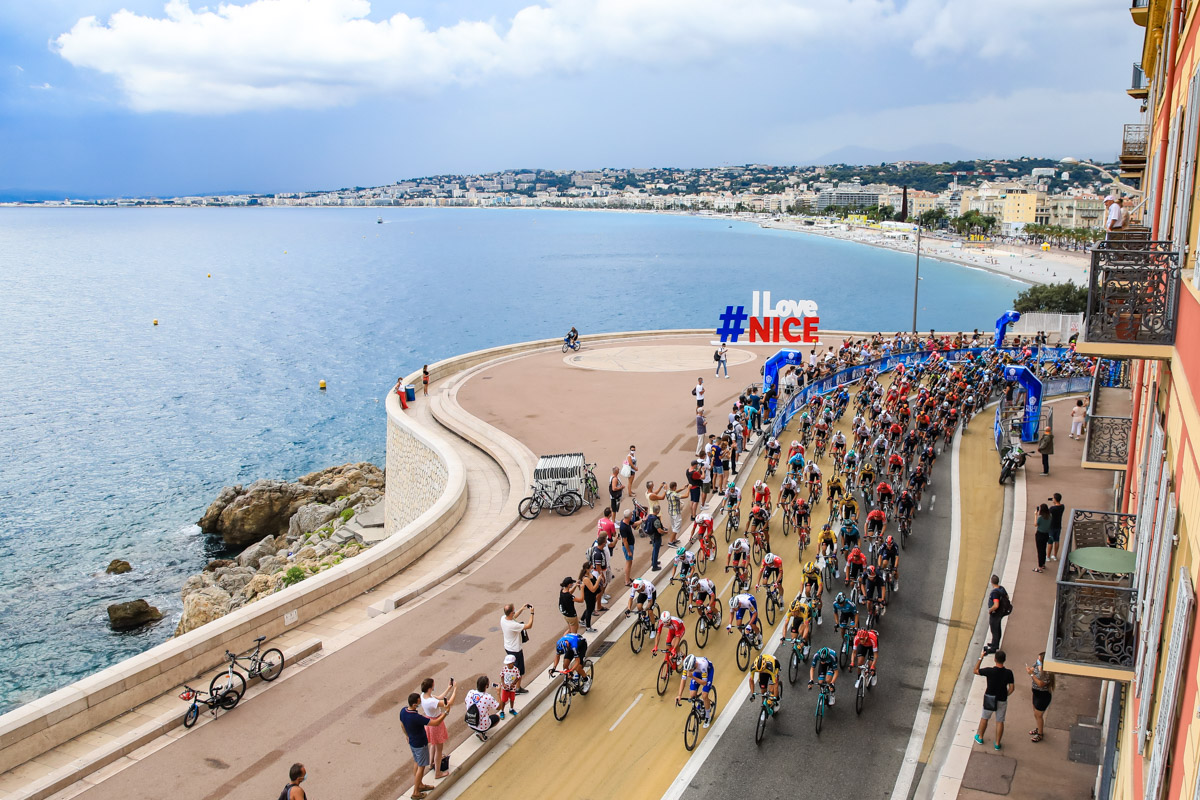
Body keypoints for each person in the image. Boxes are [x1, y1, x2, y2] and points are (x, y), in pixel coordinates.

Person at [400, 693, 444, 799]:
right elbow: (436, 722)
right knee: (421, 767)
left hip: (413, 743)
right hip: (420, 744)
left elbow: (402, 724)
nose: (421, 702)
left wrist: (407, 736)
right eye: (419, 701)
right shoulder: (416, 717)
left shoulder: (403, 711)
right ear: (415, 704)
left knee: (416, 762)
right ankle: (416, 792)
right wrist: (445, 713)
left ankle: (419, 784)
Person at [974, 649, 1016, 750]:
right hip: (1002, 698)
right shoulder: (1008, 673)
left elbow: (975, 670)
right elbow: (1012, 688)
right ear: (1004, 660)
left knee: (985, 718)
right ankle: (997, 743)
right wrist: (1006, 694)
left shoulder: (990, 671)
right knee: (1000, 721)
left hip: (990, 697)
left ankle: (980, 737)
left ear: (995, 659)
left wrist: (981, 657)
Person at [420, 677, 456, 779]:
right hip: (437, 723)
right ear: (430, 688)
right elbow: (448, 703)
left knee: (433, 745)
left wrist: (449, 688)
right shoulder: (431, 702)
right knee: (439, 750)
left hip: (429, 722)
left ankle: (431, 764)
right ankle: (438, 773)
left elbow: (439, 697)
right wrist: (455, 690)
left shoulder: (423, 696)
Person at [500, 603, 534, 692]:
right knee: (519, 670)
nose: (514, 612)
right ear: (510, 613)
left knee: (512, 667)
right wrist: (532, 613)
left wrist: (522, 609)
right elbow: (529, 625)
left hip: (508, 647)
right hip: (516, 650)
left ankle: (511, 685)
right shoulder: (513, 625)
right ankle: (517, 688)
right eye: (513, 611)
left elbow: (514, 616)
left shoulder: (503, 619)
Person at [676, 654, 715, 727]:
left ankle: (707, 716)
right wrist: (679, 695)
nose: (689, 671)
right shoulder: (687, 666)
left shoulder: (703, 665)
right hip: (697, 673)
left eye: (690, 669)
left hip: (708, 672)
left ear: (695, 664)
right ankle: (701, 703)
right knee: (692, 695)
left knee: (704, 695)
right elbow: (683, 680)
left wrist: (692, 676)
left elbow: (704, 683)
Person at [1027, 651, 1055, 743]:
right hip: (1036, 693)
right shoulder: (1037, 665)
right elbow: (1032, 669)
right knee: (1035, 713)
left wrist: (1031, 674)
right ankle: (1039, 728)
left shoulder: (1048, 673)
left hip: (1043, 695)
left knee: (1038, 715)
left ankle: (1040, 734)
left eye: (1039, 660)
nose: (1037, 661)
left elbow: (1040, 684)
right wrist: (1030, 670)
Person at [985, 575, 1010, 654]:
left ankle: (993, 648)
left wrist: (990, 610)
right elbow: (1007, 597)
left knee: (995, 629)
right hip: (1000, 612)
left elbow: (996, 605)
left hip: (995, 613)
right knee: (997, 628)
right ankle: (994, 643)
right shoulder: (1001, 588)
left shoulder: (995, 593)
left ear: (991, 582)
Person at [644, 504, 668, 571]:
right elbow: (659, 530)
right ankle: (654, 565)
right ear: (657, 511)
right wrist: (665, 532)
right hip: (656, 536)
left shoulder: (650, 516)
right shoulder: (656, 520)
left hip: (651, 535)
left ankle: (653, 561)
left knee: (654, 548)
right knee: (656, 550)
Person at [617, 509, 636, 585]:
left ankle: (628, 578)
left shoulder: (625, 521)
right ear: (629, 517)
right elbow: (625, 541)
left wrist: (643, 520)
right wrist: (628, 551)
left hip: (630, 545)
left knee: (630, 562)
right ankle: (627, 581)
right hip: (628, 547)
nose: (632, 516)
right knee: (628, 563)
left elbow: (634, 524)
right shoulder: (623, 527)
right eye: (631, 515)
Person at [1033, 504, 1051, 572]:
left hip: (1040, 534)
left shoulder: (1040, 518)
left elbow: (1035, 524)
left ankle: (1040, 566)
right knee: (1043, 549)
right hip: (1046, 534)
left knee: (1040, 551)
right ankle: (1043, 564)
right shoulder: (1050, 516)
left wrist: (1035, 515)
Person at [1048, 493, 1065, 562]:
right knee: (1057, 540)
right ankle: (1055, 555)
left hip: (1052, 526)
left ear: (1055, 499)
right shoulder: (1062, 506)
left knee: (1050, 541)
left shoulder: (1052, 508)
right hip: (1058, 526)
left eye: (1053, 498)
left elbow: (1047, 513)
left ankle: (1048, 556)